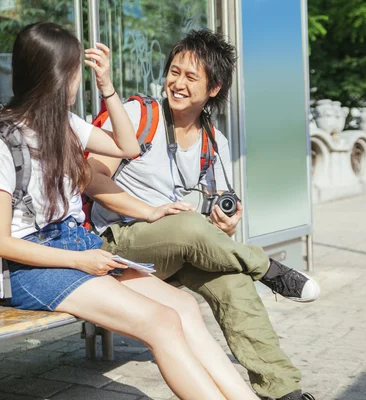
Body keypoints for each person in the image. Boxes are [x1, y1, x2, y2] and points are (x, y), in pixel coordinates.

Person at [0, 22, 261, 400]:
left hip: (77, 244)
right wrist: (79, 262)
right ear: (58, 76)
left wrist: (108, 86)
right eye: (77, 71)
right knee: (160, 322)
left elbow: (128, 147)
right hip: (31, 268)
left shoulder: (65, 124)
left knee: (184, 307)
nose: (80, 81)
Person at [85, 29, 319, 400]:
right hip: (117, 240)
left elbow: (210, 217)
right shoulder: (138, 114)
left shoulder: (215, 141)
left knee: (233, 282)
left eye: (190, 77)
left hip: (175, 246)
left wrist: (224, 225)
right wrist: (149, 212)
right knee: (191, 226)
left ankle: (283, 390)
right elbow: (92, 179)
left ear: (214, 88)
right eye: (174, 72)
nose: (177, 83)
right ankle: (267, 269)